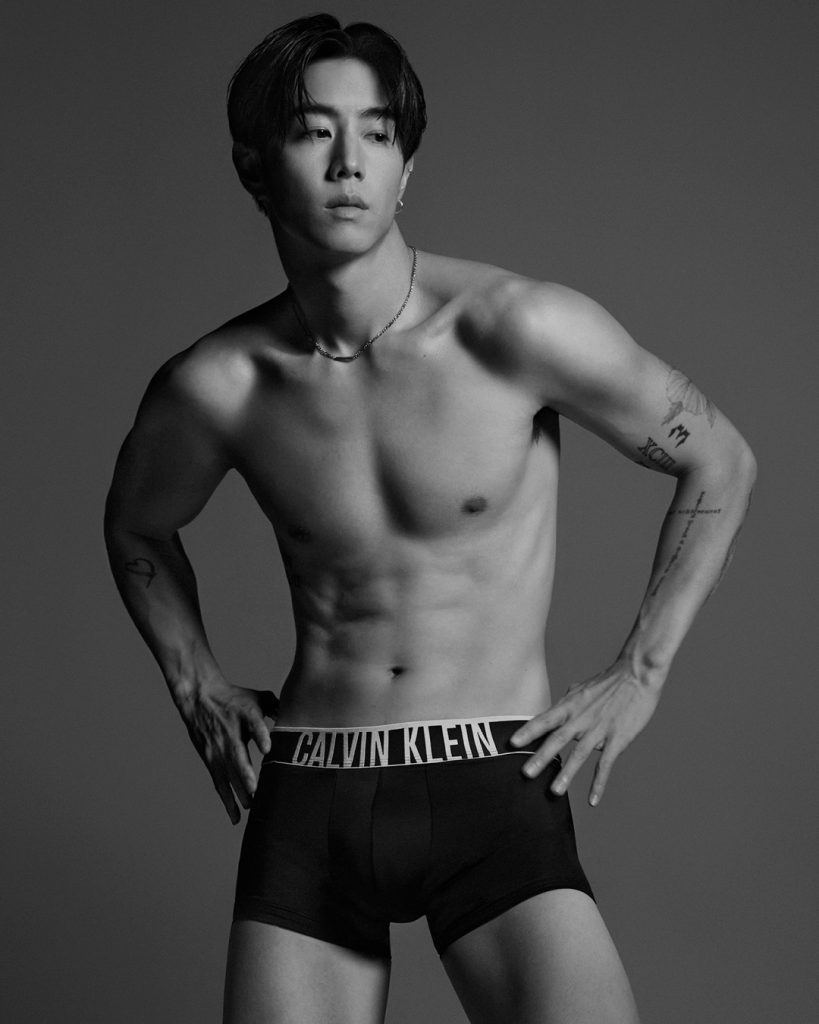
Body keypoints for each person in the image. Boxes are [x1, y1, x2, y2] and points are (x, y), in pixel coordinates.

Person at [103, 14, 757, 1024]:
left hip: (492, 782)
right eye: (314, 131)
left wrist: (641, 670)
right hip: (311, 795)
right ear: (254, 167)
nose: (350, 161)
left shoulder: (513, 328)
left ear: (406, 168)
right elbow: (137, 527)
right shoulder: (220, 385)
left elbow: (720, 458)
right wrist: (196, 685)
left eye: (376, 133)